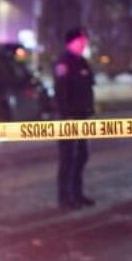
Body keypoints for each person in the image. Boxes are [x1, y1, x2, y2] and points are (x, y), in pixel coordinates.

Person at [54, 27, 95, 209]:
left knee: (81, 156)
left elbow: (88, 88)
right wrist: (66, 115)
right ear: (71, 42)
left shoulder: (82, 62)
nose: (84, 44)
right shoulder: (64, 63)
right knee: (68, 158)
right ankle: (65, 197)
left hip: (82, 118)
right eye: (81, 41)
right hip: (68, 118)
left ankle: (77, 194)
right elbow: (61, 92)